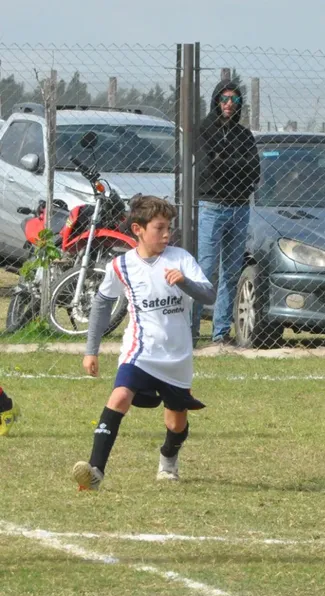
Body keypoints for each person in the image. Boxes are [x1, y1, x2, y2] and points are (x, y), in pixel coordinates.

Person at [72, 197, 216, 491]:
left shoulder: (180, 259)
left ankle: (168, 459)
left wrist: (185, 282)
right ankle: (95, 471)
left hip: (176, 356)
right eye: (160, 228)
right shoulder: (121, 265)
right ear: (138, 229)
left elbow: (209, 295)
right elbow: (102, 304)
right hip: (139, 351)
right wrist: (91, 350)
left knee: (176, 422)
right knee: (119, 397)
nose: (167, 234)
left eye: (169, 228)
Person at [193, 80, 261, 346]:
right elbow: (208, 169)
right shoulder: (204, 130)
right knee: (204, 271)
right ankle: (192, 330)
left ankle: (220, 333)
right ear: (216, 100)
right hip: (212, 207)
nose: (229, 104)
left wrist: (226, 162)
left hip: (240, 207)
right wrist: (234, 165)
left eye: (235, 100)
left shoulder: (244, 136)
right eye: (224, 99)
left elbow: (254, 170)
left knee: (231, 272)